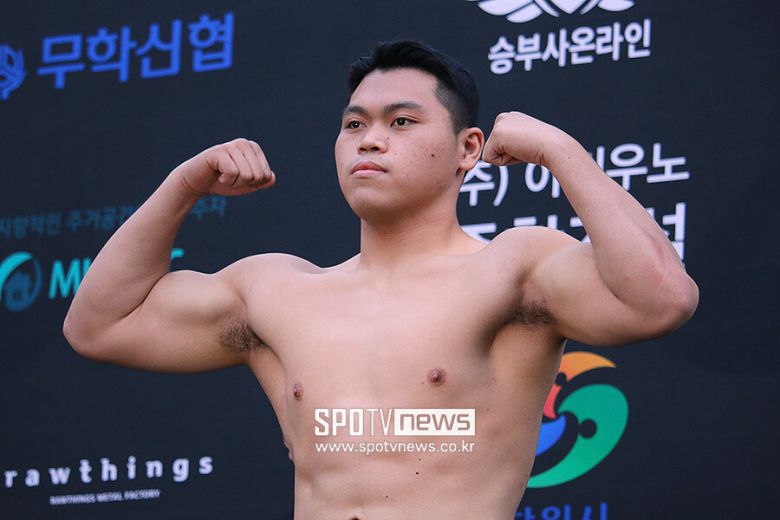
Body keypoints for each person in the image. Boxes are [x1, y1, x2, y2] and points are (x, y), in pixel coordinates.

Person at [63, 41, 698, 519]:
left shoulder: (514, 269)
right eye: (354, 124)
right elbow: (99, 325)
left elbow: (661, 299)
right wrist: (182, 186)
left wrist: (560, 150)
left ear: (468, 149)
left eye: (401, 122)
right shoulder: (277, 290)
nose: (369, 141)